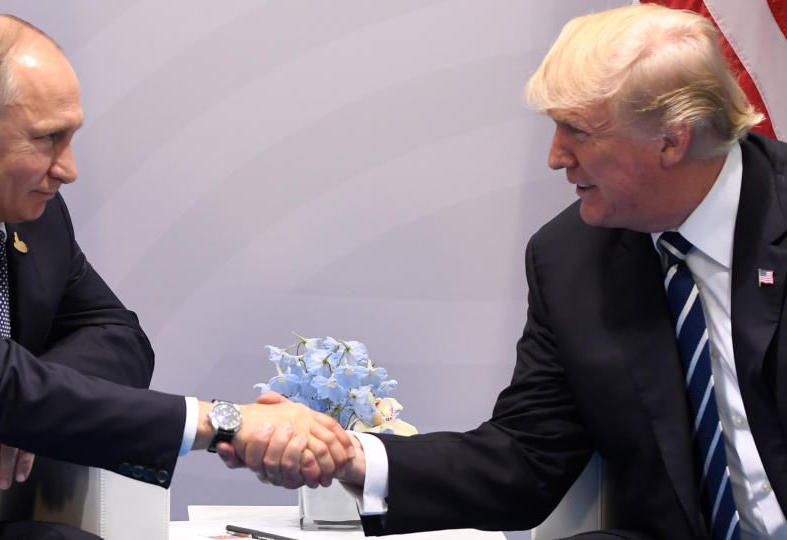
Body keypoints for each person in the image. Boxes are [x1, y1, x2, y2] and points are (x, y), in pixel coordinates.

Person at [225, 4, 787, 539]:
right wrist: (351, 455)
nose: (555, 156)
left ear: (672, 138)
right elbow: (528, 457)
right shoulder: (571, 258)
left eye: (579, 131)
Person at [0, 14, 354, 540]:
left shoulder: (32, 214)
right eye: (47, 138)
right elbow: (2, 388)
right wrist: (226, 421)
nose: (68, 168)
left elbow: (120, 336)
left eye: (71, 136)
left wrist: (22, 410)